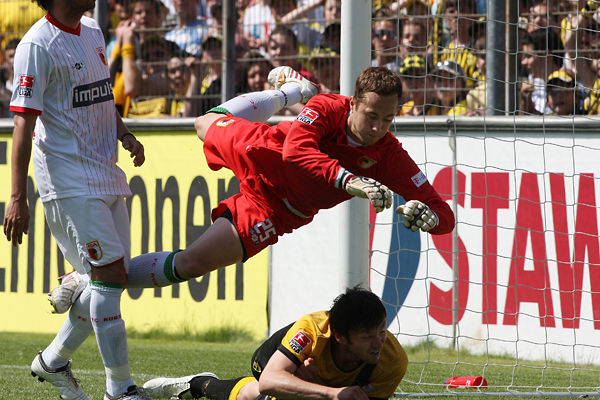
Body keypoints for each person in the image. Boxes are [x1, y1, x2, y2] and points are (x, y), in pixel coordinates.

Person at [49, 66, 454, 329]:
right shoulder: (327, 107)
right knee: (203, 122)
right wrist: (349, 180)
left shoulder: (388, 154)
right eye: (372, 116)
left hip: (276, 210)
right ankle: (291, 91)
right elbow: (296, 151)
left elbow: (443, 214)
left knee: (192, 263)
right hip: (266, 152)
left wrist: (430, 217)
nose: (379, 127)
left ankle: (89, 280)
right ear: (353, 104)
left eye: (388, 119)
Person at [3, 0, 149, 400]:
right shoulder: (37, 45)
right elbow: (22, 123)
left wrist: (124, 134)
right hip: (68, 178)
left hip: (106, 169)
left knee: (113, 277)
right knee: (109, 274)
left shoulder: (94, 30)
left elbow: (102, 98)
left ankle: (52, 361)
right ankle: (120, 389)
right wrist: (17, 197)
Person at [142, 287, 408, 400]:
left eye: (382, 331)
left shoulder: (393, 362)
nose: (378, 343)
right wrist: (330, 393)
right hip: (272, 360)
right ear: (340, 336)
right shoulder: (311, 330)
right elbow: (270, 380)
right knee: (263, 392)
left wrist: (324, 390)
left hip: (322, 382)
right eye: (367, 337)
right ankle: (199, 384)